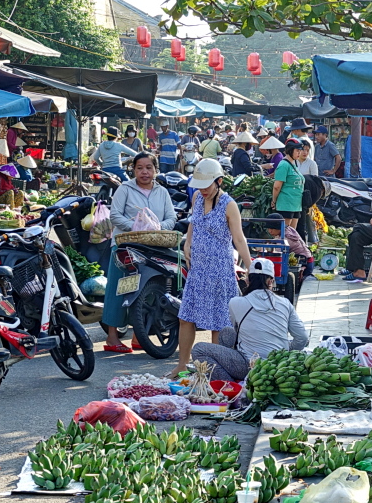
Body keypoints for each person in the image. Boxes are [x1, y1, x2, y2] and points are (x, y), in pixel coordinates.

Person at [174, 159, 253, 375]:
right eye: (199, 185)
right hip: (198, 270)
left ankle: (213, 371)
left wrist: (250, 265)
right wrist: (188, 243)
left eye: (207, 185)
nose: (203, 189)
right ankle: (182, 364)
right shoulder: (198, 197)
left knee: (217, 323)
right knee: (186, 317)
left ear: (219, 181)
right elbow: (193, 222)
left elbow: (239, 238)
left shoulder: (229, 205)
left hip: (219, 271)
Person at [103, 152, 178, 353]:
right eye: (139, 168)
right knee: (119, 289)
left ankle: (139, 336)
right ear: (133, 170)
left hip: (153, 246)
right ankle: (112, 338)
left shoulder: (162, 192)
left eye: (148, 168)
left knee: (148, 289)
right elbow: (115, 215)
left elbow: (172, 217)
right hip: (125, 246)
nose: (144, 172)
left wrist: (157, 227)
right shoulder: (124, 189)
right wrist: (136, 226)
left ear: (155, 170)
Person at [191, 258, 307, 381]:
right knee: (227, 332)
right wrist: (285, 349)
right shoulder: (285, 303)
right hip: (279, 367)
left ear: (247, 280)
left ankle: (229, 385)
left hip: (249, 365)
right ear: (271, 281)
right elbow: (303, 338)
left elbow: (238, 329)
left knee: (199, 349)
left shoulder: (235, 302)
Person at [265, 213, 314, 280]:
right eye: (268, 229)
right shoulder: (287, 229)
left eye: (272, 229)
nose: (270, 231)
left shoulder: (287, 238)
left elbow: (276, 254)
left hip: (305, 263)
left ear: (279, 228)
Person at [271, 138, 305, 231]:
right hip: (286, 204)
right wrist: (274, 200)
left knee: (292, 235)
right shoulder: (283, 165)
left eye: (300, 151)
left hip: (296, 205)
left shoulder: (294, 164)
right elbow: (277, 186)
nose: (299, 153)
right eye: (297, 151)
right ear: (290, 150)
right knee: (284, 234)